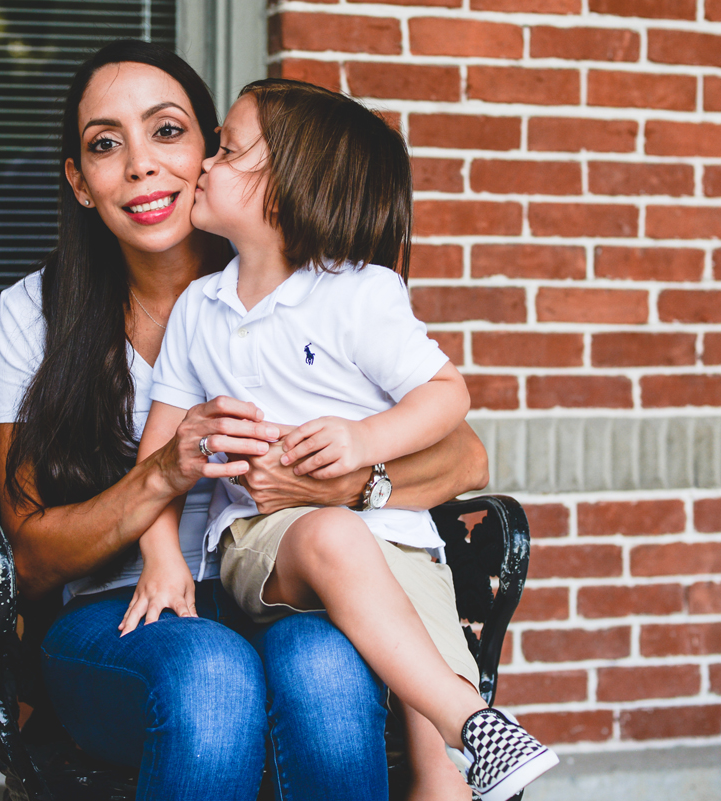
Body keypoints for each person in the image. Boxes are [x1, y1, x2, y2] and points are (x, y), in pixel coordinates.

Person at [0, 40, 490, 801]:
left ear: (211, 149)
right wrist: (162, 474)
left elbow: (465, 459)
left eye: (168, 132)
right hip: (121, 614)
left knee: (326, 668)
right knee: (211, 674)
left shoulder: (302, 284)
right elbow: (28, 556)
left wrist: (343, 482)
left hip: (274, 582)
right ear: (81, 183)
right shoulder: (37, 310)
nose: (140, 166)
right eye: (104, 145)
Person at [129, 80, 557, 801]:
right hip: (269, 543)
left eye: (228, 150)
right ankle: (476, 720)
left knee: (442, 772)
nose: (204, 161)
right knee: (331, 535)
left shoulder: (360, 294)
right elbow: (158, 457)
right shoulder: (199, 310)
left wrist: (363, 440)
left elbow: (447, 395)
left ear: (288, 189)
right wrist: (163, 558)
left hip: (398, 544)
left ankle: (468, 740)